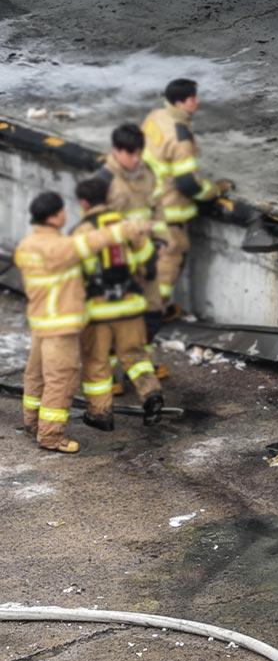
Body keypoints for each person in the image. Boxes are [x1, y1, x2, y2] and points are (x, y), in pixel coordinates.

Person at [14, 191, 152, 453]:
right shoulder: (58, 248)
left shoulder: (27, 246)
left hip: (41, 322)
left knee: (35, 376)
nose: (66, 214)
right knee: (61, 379)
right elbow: (95, 241)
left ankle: (32, 422)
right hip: (60, 326)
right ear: (54, 217)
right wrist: (129, 227)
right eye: (62, 211)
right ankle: (51, 436)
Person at [72, 175, 163, 429]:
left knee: (97, 363)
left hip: (99, 310)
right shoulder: (128, 224)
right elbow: (148, 257)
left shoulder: (83, 231)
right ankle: (151, 393)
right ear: (108, 198)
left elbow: (74, 272)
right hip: (131, 305)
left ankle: (101, 415)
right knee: (135, 356)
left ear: (84, 203)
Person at [141, 78, 232, 316]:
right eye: (193, 98)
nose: (197, 103)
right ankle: (152, 316)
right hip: (168, 211)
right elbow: (188, 184)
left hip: (145, 201)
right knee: (167, 263)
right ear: (181, 102)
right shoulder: (180, 139)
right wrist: (214, 190)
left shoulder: (155, 117)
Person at [93, 123, 166, 381]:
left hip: (146, 257)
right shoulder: (103, 181)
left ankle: (139, 364)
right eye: (130, 154)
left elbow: (157, 207)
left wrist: (158, 240)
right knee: (119, 320)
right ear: (116, 151)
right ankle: (112, 375)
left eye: (139, 153)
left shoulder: (147, 174)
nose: (135, 160)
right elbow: (96, 227)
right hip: (118, 264)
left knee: (154, 313)